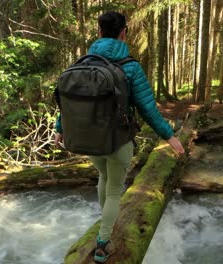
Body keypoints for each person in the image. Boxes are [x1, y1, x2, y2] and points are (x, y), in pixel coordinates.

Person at [54, 11, 184, 263]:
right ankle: (103, 243)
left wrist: (61, 128)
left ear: (99, 32)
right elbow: (147, 107)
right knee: (115, 191)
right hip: (118, 141)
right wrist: (169, 135)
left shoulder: (81, 63)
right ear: (124, 32)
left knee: (103, 178)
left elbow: (66, 103)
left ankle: (106, 223)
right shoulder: (130, 66)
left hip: (88, 138)